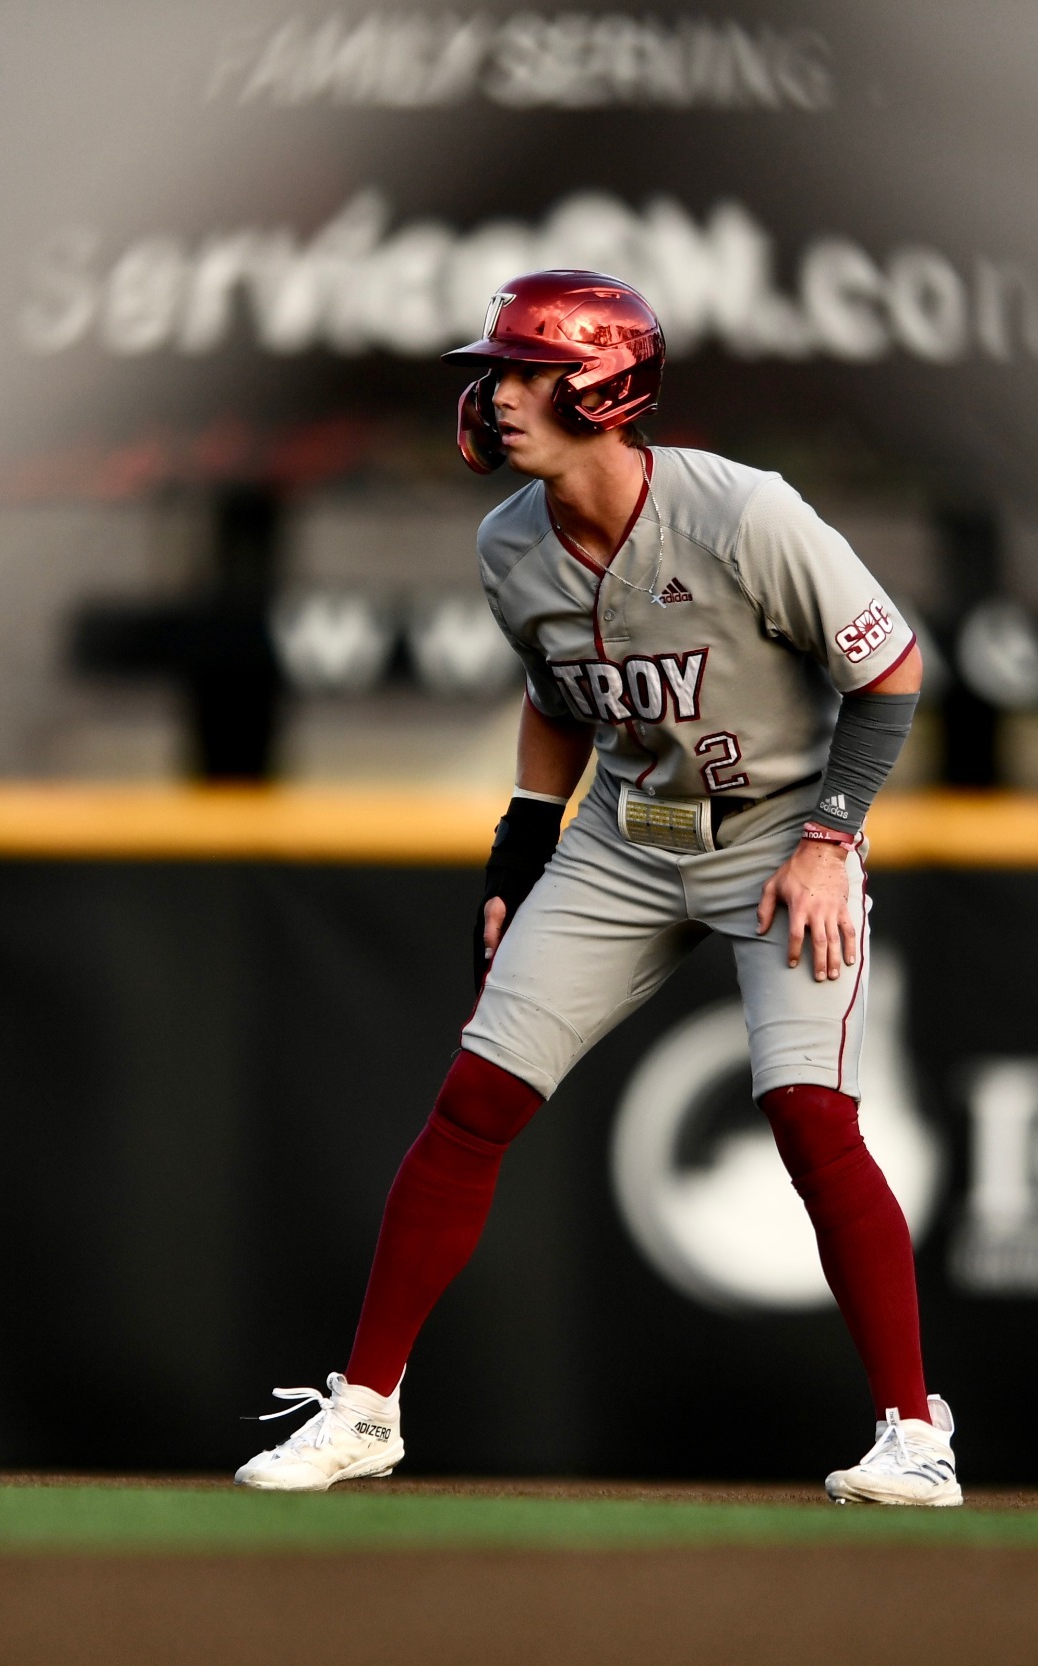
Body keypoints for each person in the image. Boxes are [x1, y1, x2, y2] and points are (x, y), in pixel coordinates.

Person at [236, 270, 956, 1505]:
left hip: (781, 834)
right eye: (496, 371)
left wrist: (833, 837)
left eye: (523, 370)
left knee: (808, 1115)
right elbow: (558, 696)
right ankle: (364, 1409)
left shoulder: (741, 512)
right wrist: (519, 855)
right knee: (474, 1100)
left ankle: (913, 1432)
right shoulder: (508, 541)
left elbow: (889, 670)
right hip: (627, 836)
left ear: (603, 386)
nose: (496, 395)